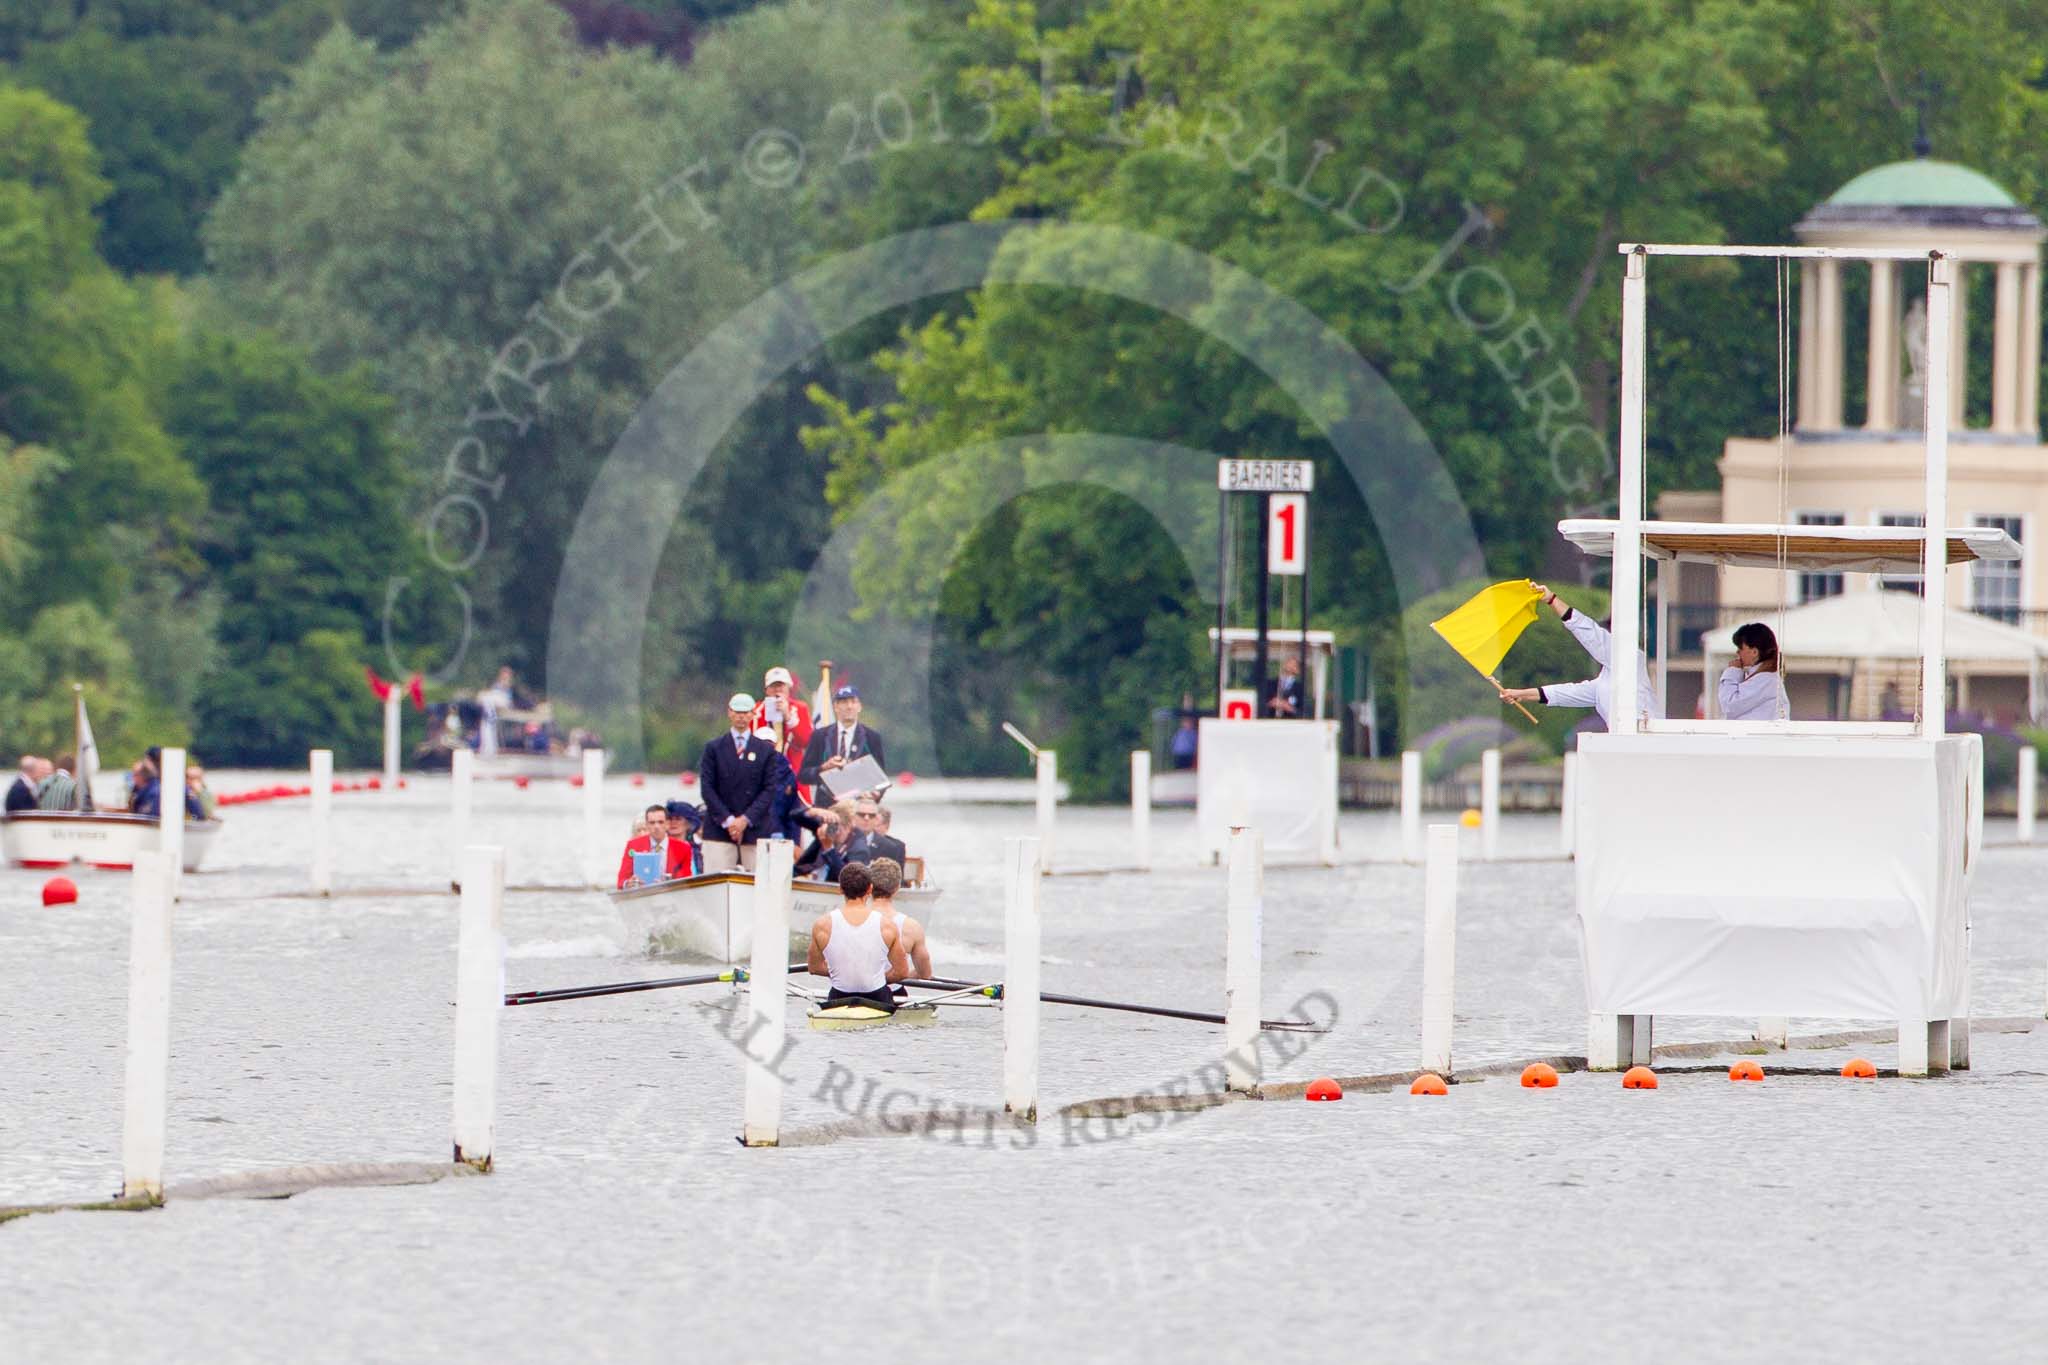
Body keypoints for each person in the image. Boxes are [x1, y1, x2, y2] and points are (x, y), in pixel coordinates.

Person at [1495, 583, 1661, 729]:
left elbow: (1588, 633)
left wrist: (1551, 599)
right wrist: (1519, 694)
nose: (1607, 634)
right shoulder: (1607, 681)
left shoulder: (1628, 656)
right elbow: (1565, 693)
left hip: (1648, 740)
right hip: (1632, 743)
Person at [806, 862, 908, 1011]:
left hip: (838, 998)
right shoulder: (886, 926)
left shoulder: (822, 925)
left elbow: (814, 968)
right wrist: (875, 976)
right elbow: (901, 972)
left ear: (840, 889)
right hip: (877, 998)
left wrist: (839, 972)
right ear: (870, 889)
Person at [697, 692, 779, 872]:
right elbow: (707, 788)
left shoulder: (765, 750)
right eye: (737, 712)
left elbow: (769, 789)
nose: (741, 717)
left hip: (755, 829)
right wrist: (729, 820)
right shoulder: (714, 748)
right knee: (716, 883)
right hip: (719, 829)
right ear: (729, 713)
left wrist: (745, 820)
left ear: (753, 714)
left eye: (746, 712)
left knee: (759, 884)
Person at [800, 684, 887, 798]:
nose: (849, 706)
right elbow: (803, 776)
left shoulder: (872, 737)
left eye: (853, 702)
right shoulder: (820, 736)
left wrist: (874, 796)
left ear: (859, 706)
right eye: (844, 702)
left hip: (859, 807)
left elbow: (880, 779)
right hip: (827, 808)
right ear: (835, 707)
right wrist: (823, 768)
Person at [865, 856, 932, 985]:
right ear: (896, 888)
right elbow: (925, 974)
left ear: (869, 887)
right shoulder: (912, 927)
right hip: (891, 995)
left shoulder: (851, 919)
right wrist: (900, 978)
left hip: (850, 991)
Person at [1719, 622, 1790, 721]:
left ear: (1754, 652)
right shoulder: (1766, 677)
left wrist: (1732, 673)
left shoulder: (1766, 679)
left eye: (1740, 648)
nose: (1737, 652)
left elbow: (1729, 705)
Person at [618, 803, 693, 888]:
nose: (656, 826)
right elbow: (621, 880)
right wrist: (627, 884)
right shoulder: (633, 845)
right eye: (652, 823)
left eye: (660, 822)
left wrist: (668, 883)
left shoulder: (683, 848)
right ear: (647, 825)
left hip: (670, 895)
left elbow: (686, 881)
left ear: (668, 824)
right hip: (641, 894)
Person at [841, 794, 907, 867]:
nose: (866, 818)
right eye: (861, 814)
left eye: (871, 815)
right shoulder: (842, 839)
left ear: (876, 819)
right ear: (853, 816)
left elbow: (895, 877)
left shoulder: (890, 847)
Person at [795, 808, 848, 881]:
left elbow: (845, 878)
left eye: (839, 826)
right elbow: (795, 816)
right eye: (832, 825)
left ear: (848, 827)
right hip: (803, 879)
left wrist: (828, 848)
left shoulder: (856, 849)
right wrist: (815, 811)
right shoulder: (824, 833)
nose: (835, 831)